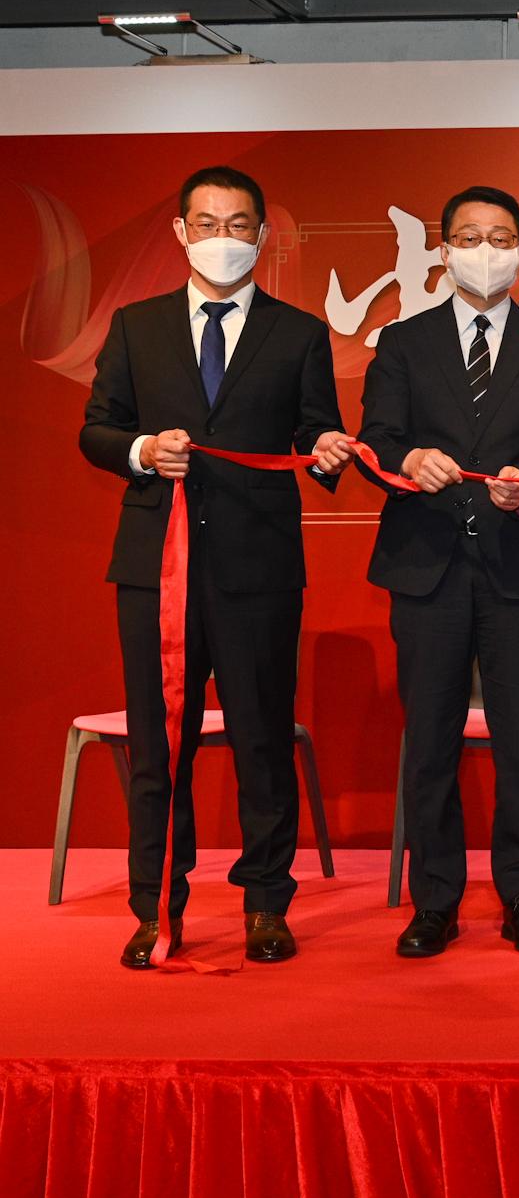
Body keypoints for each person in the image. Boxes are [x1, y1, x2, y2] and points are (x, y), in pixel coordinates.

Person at [80, 165, 353, 969]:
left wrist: (329, 453)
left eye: (239, 225)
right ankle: (155, 907)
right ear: (179, 232)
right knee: (159, 747)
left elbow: (317, 435)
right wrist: (140, 450)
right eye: (207, 223)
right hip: (154, 568)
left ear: (262, 237)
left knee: (263, 741)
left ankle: (267, 904)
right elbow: (97, 429)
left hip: (257, 571)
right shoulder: (136, 326)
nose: (223, 238)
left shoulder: (298, 332)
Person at [359, 186, 519, 958]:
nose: (483, 251)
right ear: (443, 247)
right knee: (430, 741)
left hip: (517, 567)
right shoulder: (402, 343)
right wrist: (405, 458)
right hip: (426, 569)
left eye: (499, 238)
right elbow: (377, 438)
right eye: (467, 236)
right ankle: (435, 901)